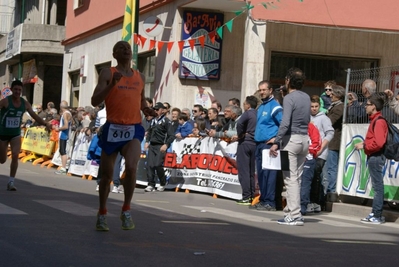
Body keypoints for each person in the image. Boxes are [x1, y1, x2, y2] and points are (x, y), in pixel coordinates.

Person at [91, 40, 156, 231]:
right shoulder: (107, 73)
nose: (126, 50)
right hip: (112, 128)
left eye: (128, 48)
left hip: (133, 128)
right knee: (106, 176)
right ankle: (102, 212)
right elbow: (94, 100)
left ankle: (126, 209)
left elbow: (141, 100)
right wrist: (112, 85)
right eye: (121, 48)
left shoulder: (140, 76)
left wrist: (147, 110)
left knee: (132, 167)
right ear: (114, 54)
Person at [270, 67, 310, 226]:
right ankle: (291, 212)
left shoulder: (289, 98)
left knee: (290, 179)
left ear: (288, 80)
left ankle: (294, 214)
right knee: (296, 179)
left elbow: (285, 122)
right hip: (304, 139)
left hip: (290, 141)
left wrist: (276, 142)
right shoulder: (306, 97)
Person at [0, 80, 52, 191]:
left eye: (19, 90)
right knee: (2, 160)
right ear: (11, 90)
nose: (17, 92)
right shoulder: (5, 101)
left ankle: (11, 182)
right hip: (3, 133)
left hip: (15, 134)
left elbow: (35, 116)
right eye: (15, 89)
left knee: (15, 155)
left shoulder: (25, 104)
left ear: (21, 91)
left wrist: (45, 123)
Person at [355, 94, 387, 224]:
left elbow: (379, 143)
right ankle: (376, 213)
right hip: (373, 156)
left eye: (367, 104)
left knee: (378, 186)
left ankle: (377, 214)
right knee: (377, 186)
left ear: (373, 106)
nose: (365, 107)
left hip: (376, 157)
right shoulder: (376, 120)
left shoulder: (379, 121)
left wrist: (364, 145)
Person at [252, 80, 282, 211]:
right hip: (259, 144)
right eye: (260, 90)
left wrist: (277, 140)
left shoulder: (275, 106)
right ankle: (264, 200)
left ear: (270, 90)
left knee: (269, 175)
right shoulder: (261, 106)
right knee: (262, 174)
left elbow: (284, 124)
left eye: (264, 90)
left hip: (269, 146)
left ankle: (270, 202)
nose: (262, 92)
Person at [308, 95, 334, 212]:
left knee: (316, 176)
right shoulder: (307, 117)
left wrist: (321, 148)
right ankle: (310, 200)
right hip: (309, 153)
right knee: (310, 177)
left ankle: (316, 202)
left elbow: (330, 133)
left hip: (320, 153)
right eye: (312, 106)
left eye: (316, 106)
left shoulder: (324, 118)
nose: (314, 109)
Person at [144, 102, 175, 192]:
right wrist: (147, 141)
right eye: (154, 109)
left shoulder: (166, 121)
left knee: (157, 164)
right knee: (149, 165)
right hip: (152, 145)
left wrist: (166, 144)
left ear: (162, 110)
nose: (155, 111)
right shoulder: (153, 120)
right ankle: (151, 184)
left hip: (160, 145)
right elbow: (149, 132)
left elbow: (171, 135)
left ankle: (162, 182)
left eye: (157, 109)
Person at [236, 95, 257, 205]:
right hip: (254, 143)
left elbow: (239, 123)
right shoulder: (257, 114)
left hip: (245, 142)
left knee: (244, 171)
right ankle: (251, 195)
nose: (244, 106)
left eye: (244, 104)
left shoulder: (247, 113)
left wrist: (240, 135)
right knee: (251, 172)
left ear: (248, 105)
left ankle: (246, 196)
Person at [325, 85, 345, 197]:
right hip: (330, 141)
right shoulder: (333, 106)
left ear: (337, 95)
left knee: (332, 168)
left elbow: (330, 122)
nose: (330, 95)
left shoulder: (339, 108)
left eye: (332, 93)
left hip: (334, 142)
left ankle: (331, 190)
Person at [54, 100, 72, 175]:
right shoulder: (69, 113)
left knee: (62, 151)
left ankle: (63, 168)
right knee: (62, 151)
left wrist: (58, 128)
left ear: (61, 107)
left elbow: (66, 126)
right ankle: (63, 167)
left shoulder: (65, 114)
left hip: (64, 134)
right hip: (65, 134)